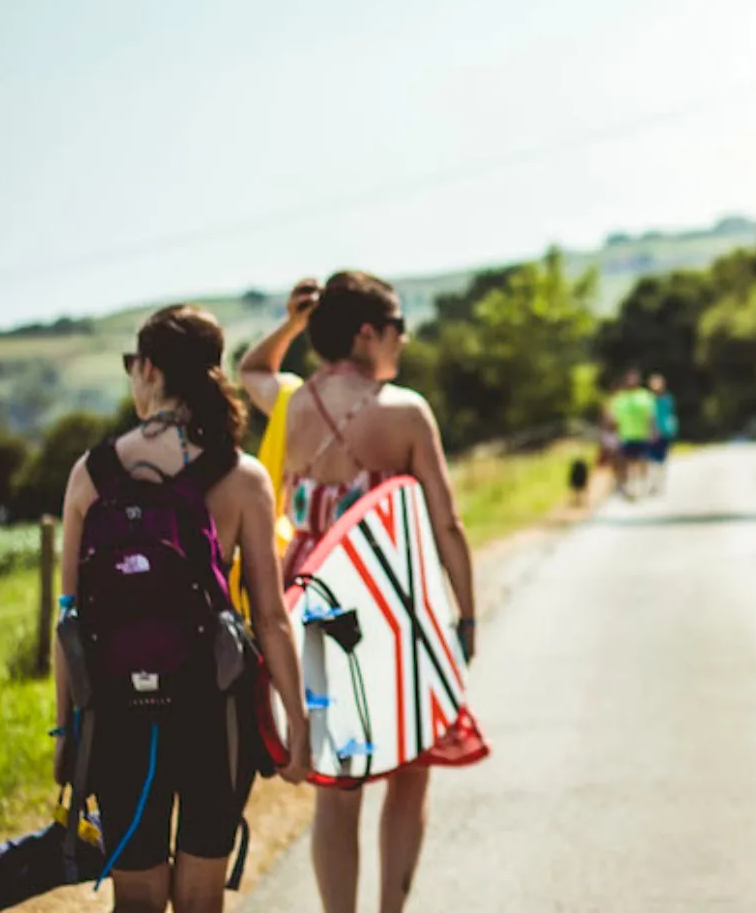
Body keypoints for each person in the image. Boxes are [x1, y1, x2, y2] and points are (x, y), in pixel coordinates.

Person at [238, 274, 478, 913]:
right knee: (410, 767)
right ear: (367, 332)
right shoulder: (404, 412)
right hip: (391, 609)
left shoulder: (290, 402)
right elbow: (446, 522)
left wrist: (293, 323)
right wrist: (467, 615)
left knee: (338, 783)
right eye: (398, 327)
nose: (404, 340)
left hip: (313, 610)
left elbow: (248, 368)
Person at [56, 305, 307, 913]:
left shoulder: (90, 475)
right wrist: (297, 722)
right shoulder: (241, 476)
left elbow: (69, 620)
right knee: (200, 898)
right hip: (212, 711)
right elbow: (269, 618)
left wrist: (68, 735)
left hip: (118, 714)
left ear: (147, 368)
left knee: (137, 898)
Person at [606, 369, 658, 499]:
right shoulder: (620, 398)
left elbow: (651, 416)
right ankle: (631, 487)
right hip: (625, 435)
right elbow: (613, 417)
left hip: (642, 434)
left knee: (642, 461)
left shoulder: (645, 396)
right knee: (628, 463)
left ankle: (642, 484)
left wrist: (652, 431)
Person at [646, 373, 679, 495]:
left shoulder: (667, 399)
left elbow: (670, 416)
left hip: (665, 432)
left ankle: (660, 484)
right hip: (652, 433)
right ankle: (653, 484)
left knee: (662, 459)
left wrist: (671, 431)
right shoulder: (648, 399)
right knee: (651, 460)